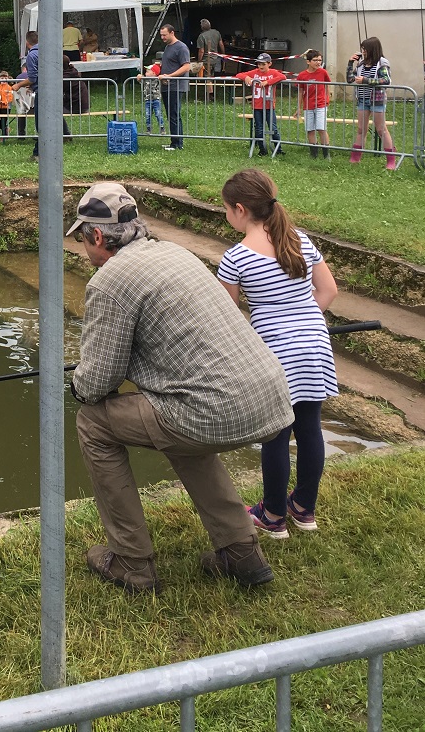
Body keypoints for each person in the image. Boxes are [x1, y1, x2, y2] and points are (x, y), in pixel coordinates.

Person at [68, 181, 292, 593]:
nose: (84, 247)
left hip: (213, 408)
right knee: (176, 422)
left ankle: (131, 561)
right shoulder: (176, 253)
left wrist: (77, 386)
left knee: (92, 423)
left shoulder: (110, 280)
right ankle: (242, 551)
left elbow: (99, 380)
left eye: (82, 238)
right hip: (271, 398)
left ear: (96, 236)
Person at [217, 169, 338, 538]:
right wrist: (302, 322)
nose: (226, 215)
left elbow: (226, 316)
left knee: (275, 435)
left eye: (226, 209)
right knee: (310, 428)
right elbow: (328, 291)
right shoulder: (300, 240)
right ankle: (304, 509)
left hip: (275, 354)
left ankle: (272, 515)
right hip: (315, 346)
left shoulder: (236, 257)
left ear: (240, 209)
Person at [346, 37, 396, 169]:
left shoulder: (382, 63)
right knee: (361, 129)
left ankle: (391, 160)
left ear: (372, 49)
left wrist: (366, 80)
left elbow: (386, 80)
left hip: (377, 100)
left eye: (365, 49)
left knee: (381, 129)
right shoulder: (361, 64)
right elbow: (350, 79)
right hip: (362, 99)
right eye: (362, 49)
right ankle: (355, 157)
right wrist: (350, 63)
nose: (363, 51)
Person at [239, 52, 286, 157]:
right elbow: (239, 75)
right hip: (257, 106)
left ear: (269, 64)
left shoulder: (273, 72)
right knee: (259, 128)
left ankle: (278, 149)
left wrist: (268, 82)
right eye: (259, 64)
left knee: (273, 128)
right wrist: (246, 78)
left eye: (263, 64)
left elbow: (283, 77)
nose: (261, 66)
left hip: (269, 106)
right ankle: (262, 150)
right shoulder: (254, 72)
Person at [158, 23, 190, 150]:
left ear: (172, 33)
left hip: (176, 86)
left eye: (164, 35)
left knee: (174, 115)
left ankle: (177, 144)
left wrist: (170, 76)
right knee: (171, 115)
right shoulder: (167, 47)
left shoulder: (181, 48)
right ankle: (174, 141)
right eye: (161, 35)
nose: (162, 37)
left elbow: (186, 66)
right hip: (166, 86)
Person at [296, 49, 331, 159]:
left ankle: (326, 154)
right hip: (308, 105)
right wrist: (298, 107)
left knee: (321, 128)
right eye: (315, 60)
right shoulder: (302, 75)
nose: (318, 62)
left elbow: (327, 85)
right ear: (308, 61)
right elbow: (300, 92)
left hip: (320, 104)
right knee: (310, 129)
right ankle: (314, 153)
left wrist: (327, 98)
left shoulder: (323, 72)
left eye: (320, 60)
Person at [11, 31, 39, 159]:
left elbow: (32, 78)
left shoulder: (32, 55)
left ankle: (38, 153)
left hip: (41, 92)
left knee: (41, 125)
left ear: (27, 43)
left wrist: (19, 85)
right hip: (53, 91)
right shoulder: (47, 51)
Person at [136, 63, 164, 134]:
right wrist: (139, 76)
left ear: (154, 73)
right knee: (147, 114)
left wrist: (163, 77)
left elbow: (165, 81)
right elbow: (139, 79)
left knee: (158, 114)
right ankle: (149, 128)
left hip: (156, 99)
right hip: (148, 100)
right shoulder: (145, 80)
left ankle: (162, 128)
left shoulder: (158, 80)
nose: (146, 73)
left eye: (147, 71)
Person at [0, 71, 15, 140]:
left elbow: (10, 97)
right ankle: (6, 129)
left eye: (5, 78)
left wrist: (4, 102)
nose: (4, 79)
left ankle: (4, 136)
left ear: (8, 79)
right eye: (2, 78)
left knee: (3, 121)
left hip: (6, 107)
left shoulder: (9, 88)